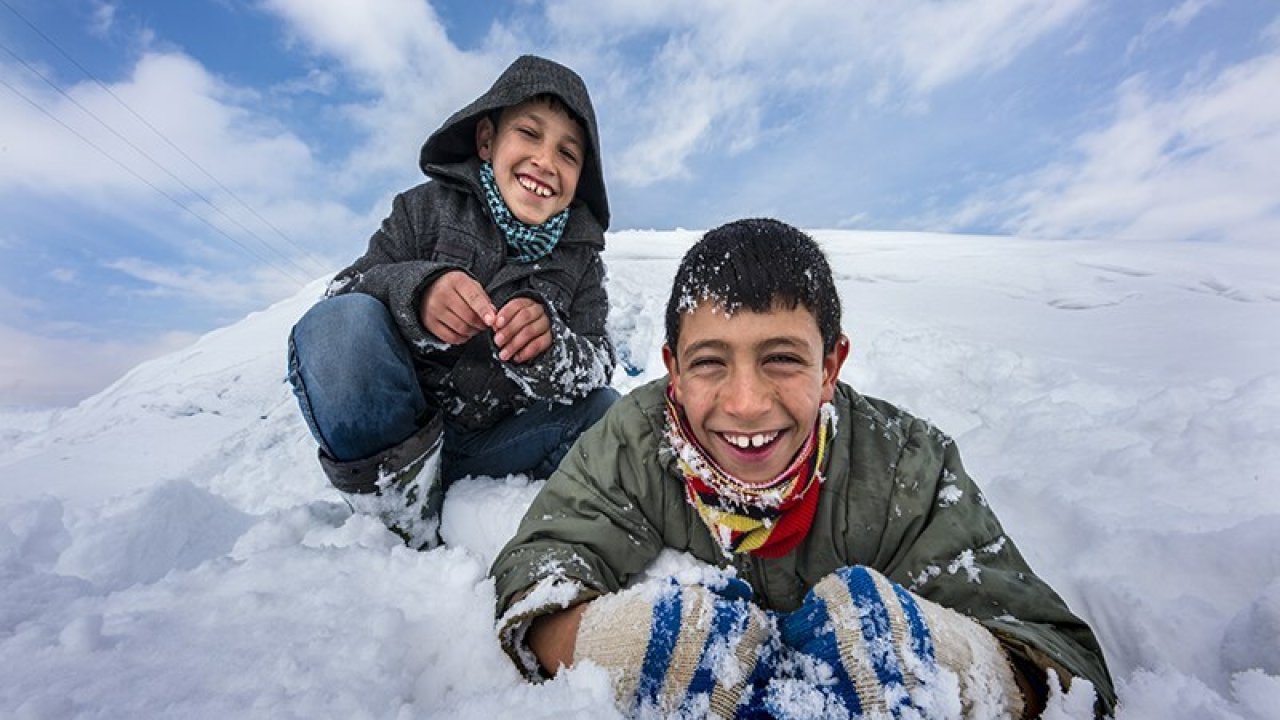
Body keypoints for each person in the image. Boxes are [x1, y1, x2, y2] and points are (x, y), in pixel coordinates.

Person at [489, 219, 1116, 718]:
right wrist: (630, 644)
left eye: (782, 359)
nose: (746, 403)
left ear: (831, 366)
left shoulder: (906, 465)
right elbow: (539, 573)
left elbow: (1065, 670)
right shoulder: (633, 438)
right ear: (673, 370)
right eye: (709, 362)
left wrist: (940, 661)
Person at [287, 55, 618, 551]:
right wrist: (418, 294)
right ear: (486, 141)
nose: (546, 161)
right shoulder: (423, 209)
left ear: (578, 183)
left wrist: (552, 348)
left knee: (608, 415)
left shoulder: (583, 263)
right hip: (399, 436)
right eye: (529, 133)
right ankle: (404, 523)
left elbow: (599, 364)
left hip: (497, 448)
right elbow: (340, 297)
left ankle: (530, 520)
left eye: (568, 154)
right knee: (340, 327)